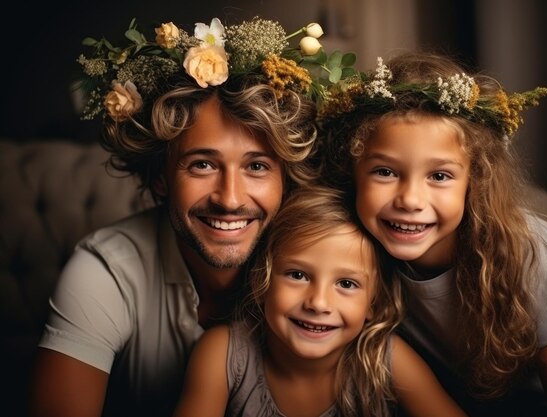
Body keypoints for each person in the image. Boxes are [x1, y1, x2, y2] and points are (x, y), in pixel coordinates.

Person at [28, 16, 330, 417]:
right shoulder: (107, 269)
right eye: (202, 165)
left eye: (257, 167)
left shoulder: (325, 272)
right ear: (160, 179)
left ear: (285, 181)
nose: (230, 199)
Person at [318, 51, 547, 417]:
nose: (410, 200)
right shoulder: (353, 248)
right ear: (352, 170)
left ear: (474, 182)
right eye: (385, 172)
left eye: (439, 176)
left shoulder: (524, 249)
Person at [173, 185, 468, 417]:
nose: (318, 302)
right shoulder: (223, 353)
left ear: (375, 304)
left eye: (346, 283)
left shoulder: (385, 359)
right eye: (298, 275)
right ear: (262, 281)